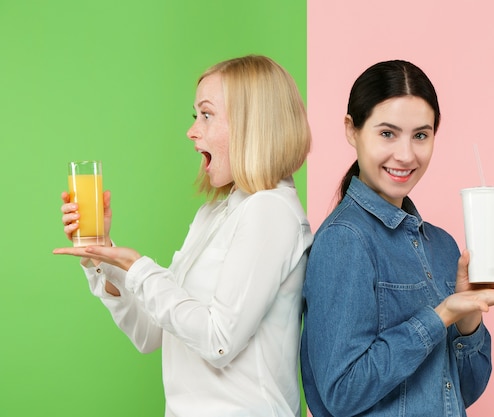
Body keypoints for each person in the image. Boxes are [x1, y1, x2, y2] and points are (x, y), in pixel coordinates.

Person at [54, 55, 313, 417]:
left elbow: (218, 340)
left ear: (252, 125)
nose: (192, 131)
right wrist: (105, 258)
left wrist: (138, 267)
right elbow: (150, 334)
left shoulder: (270, 212)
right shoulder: (214, 214)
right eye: (195, 116)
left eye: (206, 115)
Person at [299, 60, 494, 417]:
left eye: (420, 135)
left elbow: (465, 391)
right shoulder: (346, 240)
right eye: (387, 133)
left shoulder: (442, 246)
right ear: (352, 130)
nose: (406, 154)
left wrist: (467, 317)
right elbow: (342, 392)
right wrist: (441, 314)